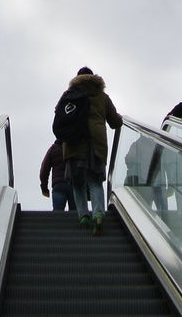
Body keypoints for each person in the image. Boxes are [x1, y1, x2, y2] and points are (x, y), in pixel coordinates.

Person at [62, 67, 122, 234]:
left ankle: (83, 215)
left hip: (74, 143)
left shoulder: (69, 96)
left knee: (78, 183)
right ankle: (98, 215)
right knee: (95, 182)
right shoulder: (102, 97)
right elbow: (115, 122)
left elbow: (59, 118)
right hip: (96, 143)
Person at [40, 139, 74, 211]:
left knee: (58, 212)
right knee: (75, 214)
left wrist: (44, 187)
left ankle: (57, 221)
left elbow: (44, 169)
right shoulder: (76, 147)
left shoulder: (53, 149)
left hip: (59, 184)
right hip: (73, 184)